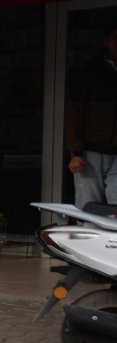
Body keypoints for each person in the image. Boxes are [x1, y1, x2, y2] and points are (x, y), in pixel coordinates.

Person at [65, 17, 117, 207]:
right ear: (105, 40)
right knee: (88, 207)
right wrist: (75, 152)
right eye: (114, 37)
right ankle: (87, 238)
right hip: (90, 150)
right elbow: (74, 114)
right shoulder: (90, 70)